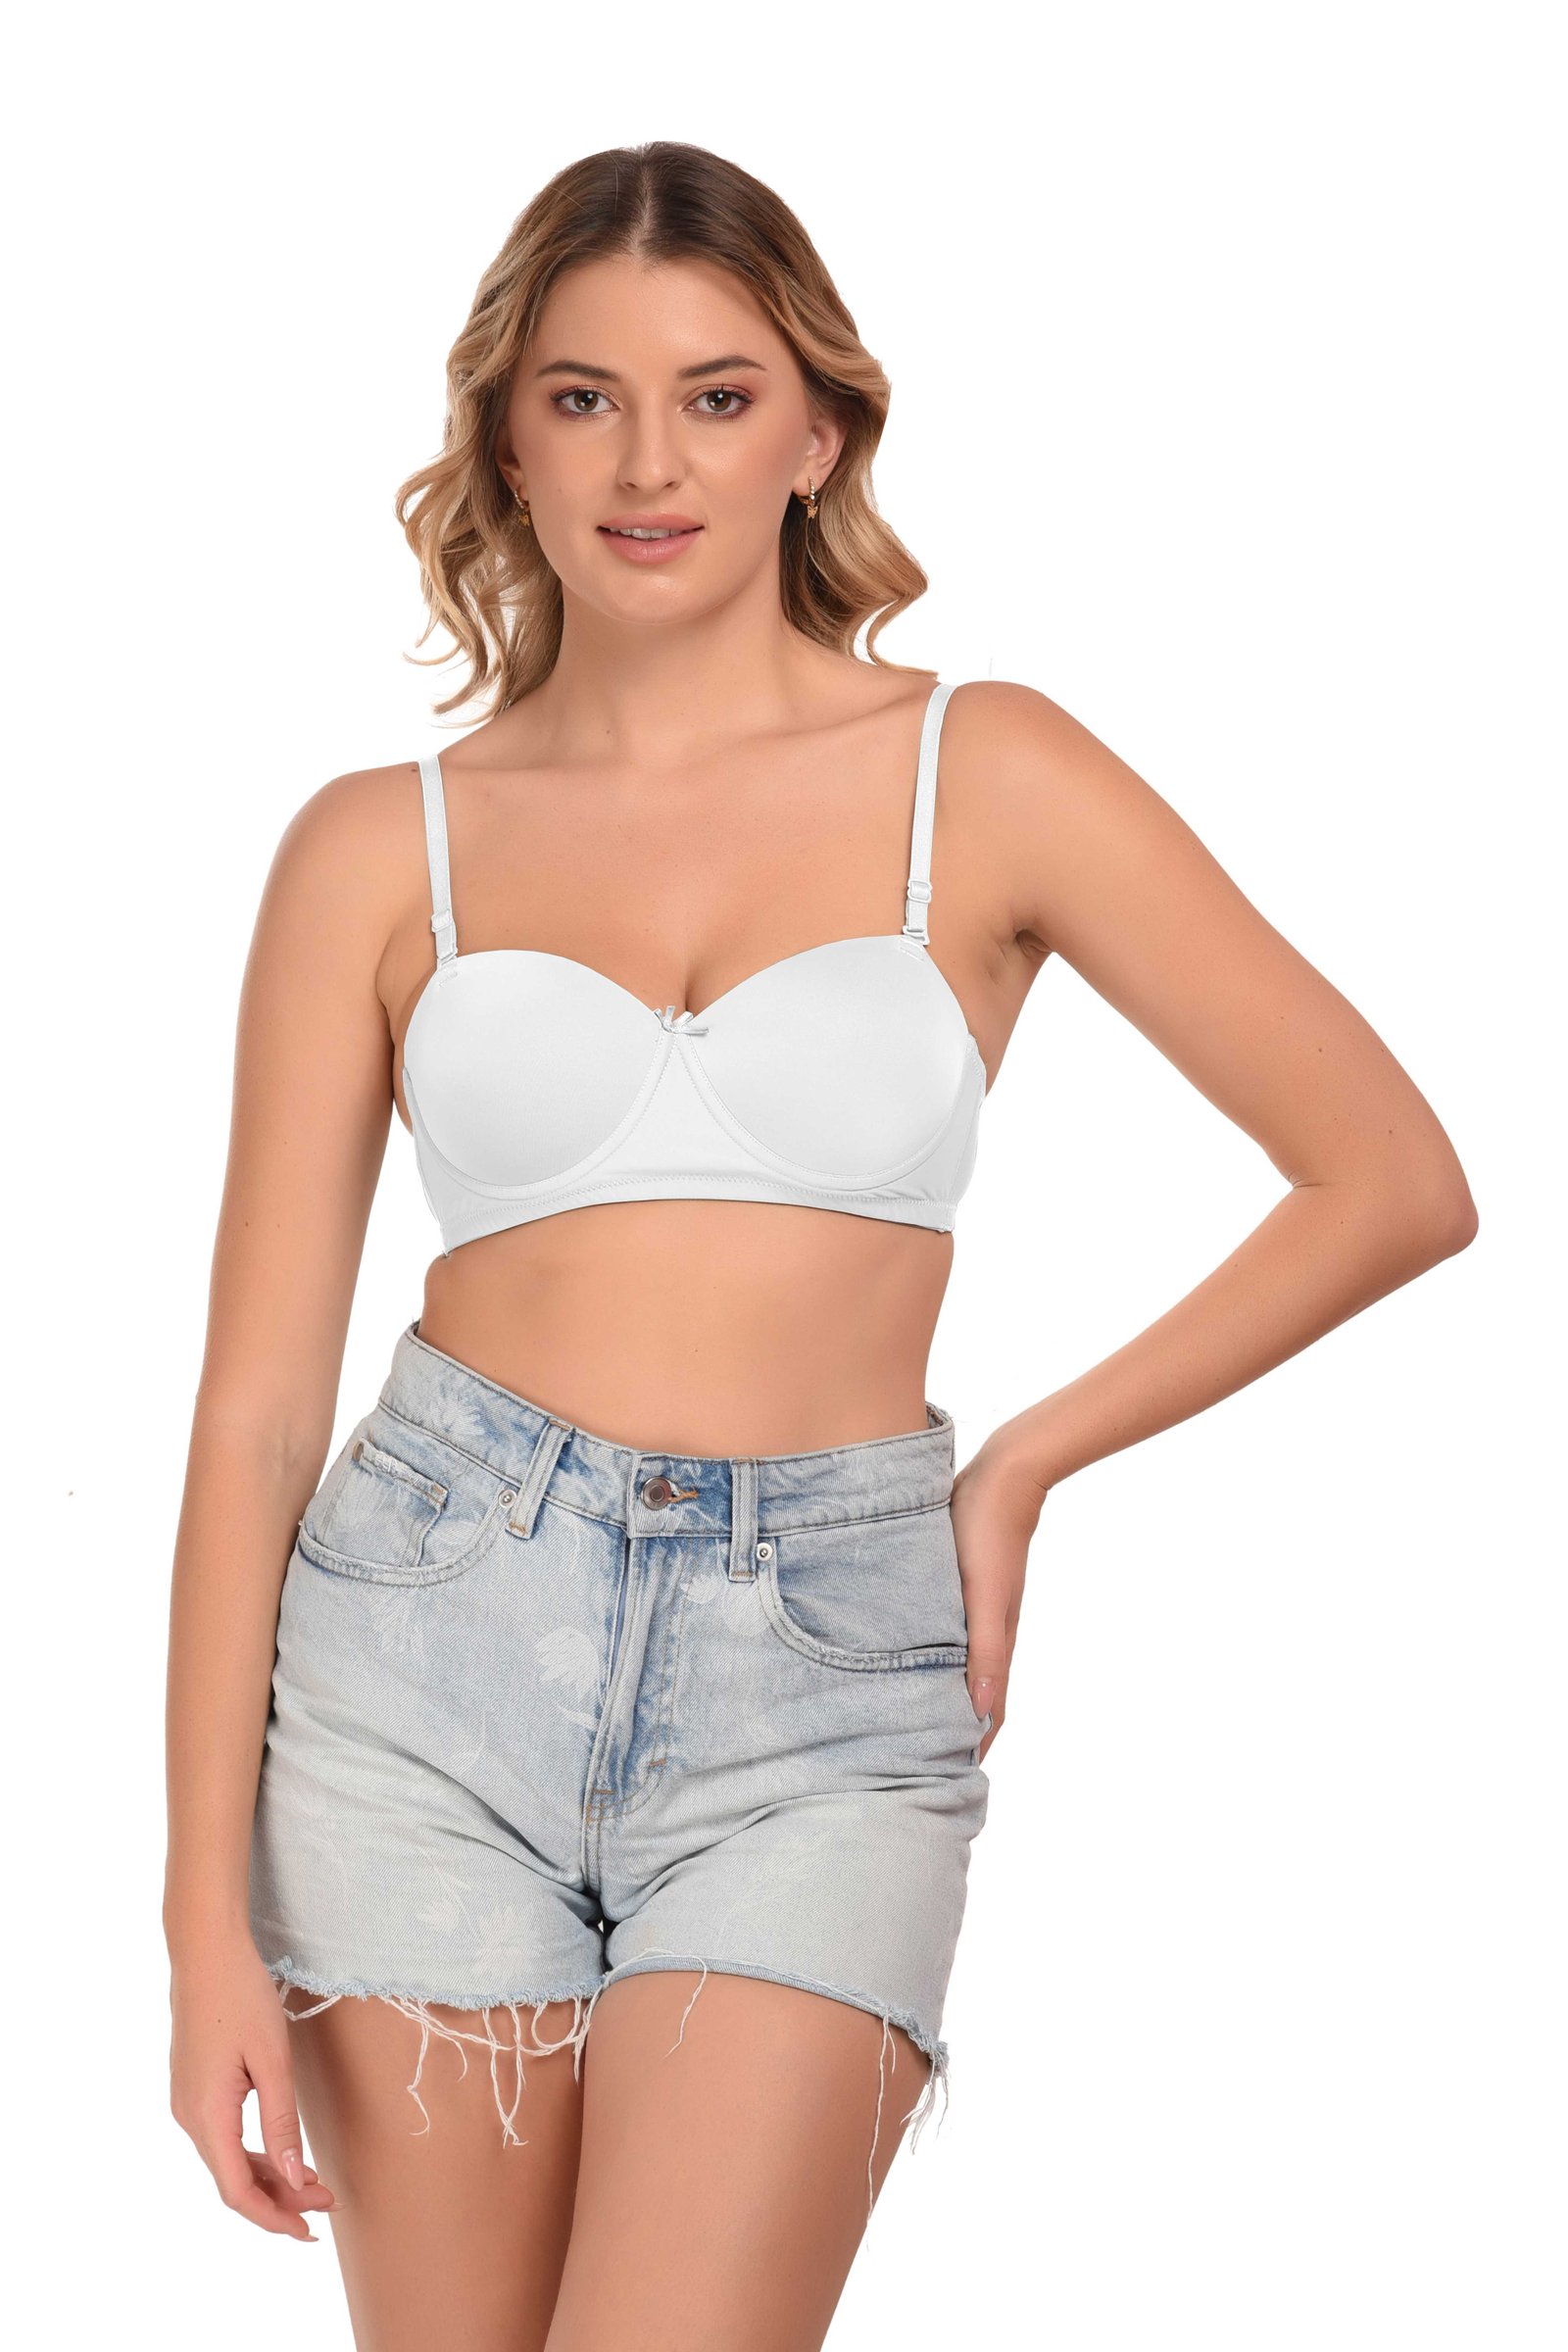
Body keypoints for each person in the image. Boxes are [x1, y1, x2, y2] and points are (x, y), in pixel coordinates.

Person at [163, 140, 1478, 2351]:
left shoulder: (992, 771)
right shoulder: (376, 850)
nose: (646, 464)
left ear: (817, 433)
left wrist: (1021, 1462)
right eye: (582, 399)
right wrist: (201, 1916)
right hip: (419, 1665)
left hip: (823, 1686)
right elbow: (257, 1415)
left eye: (714, 395)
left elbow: (1388, 1176)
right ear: (507, 440)